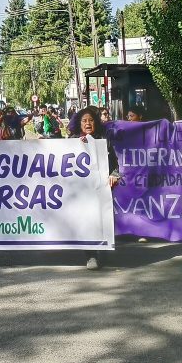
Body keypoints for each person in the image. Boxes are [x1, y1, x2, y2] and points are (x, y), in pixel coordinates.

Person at [68, 106, 120, 270]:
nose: (88, 123)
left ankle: (102, 247)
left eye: (91, 120)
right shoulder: (71, 141)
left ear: (96, 123)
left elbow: (115, 164)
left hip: (100, 188)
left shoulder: (104, 141)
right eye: (84, 121)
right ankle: (90, 255)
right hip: (80, 191)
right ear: (79, 124)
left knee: (100, 218)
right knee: (87, 220)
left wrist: (114, 175)